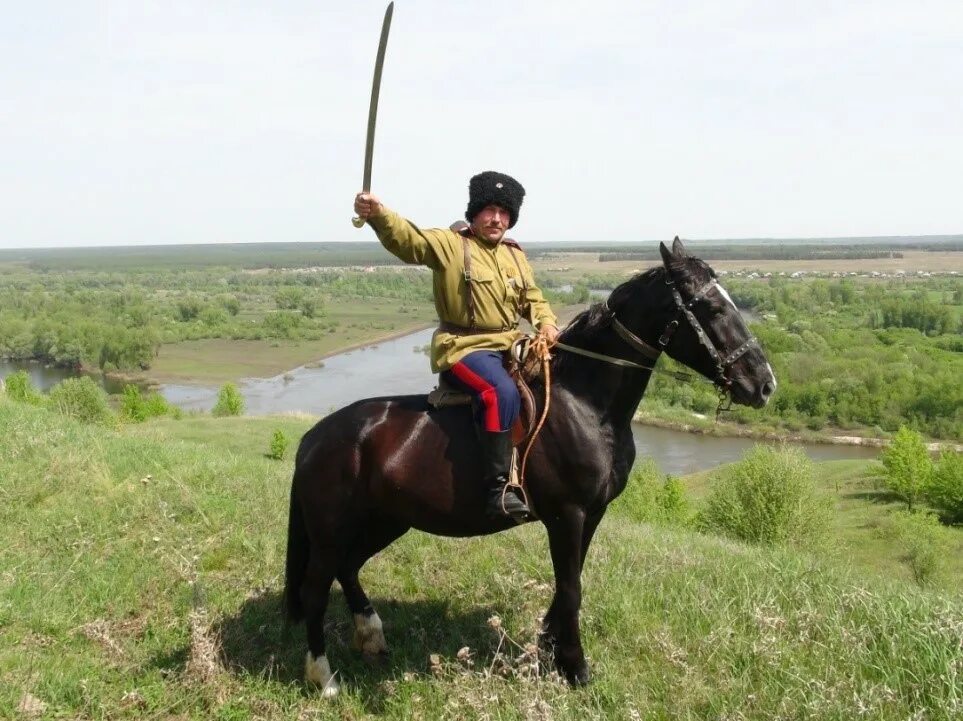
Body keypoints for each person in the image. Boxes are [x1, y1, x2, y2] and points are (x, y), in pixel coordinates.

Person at [354, 171, 559, 522]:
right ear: (475, 212)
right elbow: (408, 240)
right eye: (489, 210)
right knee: (500, 392)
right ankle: (497, 492)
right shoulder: (451, 245)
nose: (497, 219)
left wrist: (546, 322)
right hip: (464, 347)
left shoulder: (514, 255)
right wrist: (378, 214)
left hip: (511, 345)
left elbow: (532, 298)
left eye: (504, 213)